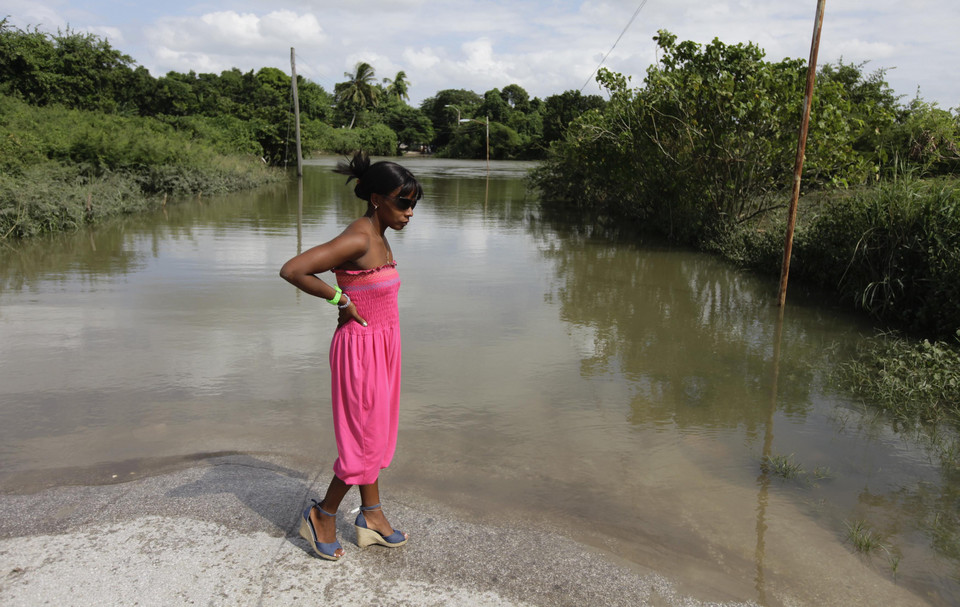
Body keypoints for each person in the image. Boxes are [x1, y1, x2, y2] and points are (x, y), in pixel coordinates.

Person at [279, 151, 422, 560]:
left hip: (383, 346)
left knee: (374, 434)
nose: (410, 212)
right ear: (377, 199)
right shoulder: (359, 236)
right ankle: (322, 515)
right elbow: (294, 270)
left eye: (414, 204)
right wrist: (339, 299)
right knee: (362, 441)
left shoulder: (379, 232)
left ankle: (372, 515)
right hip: (360, 349)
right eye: (404, 202)